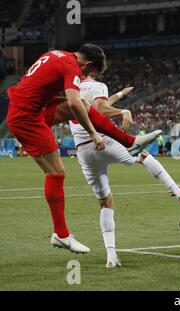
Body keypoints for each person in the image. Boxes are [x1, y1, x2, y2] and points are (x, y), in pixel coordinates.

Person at [6, 44, 158, 254]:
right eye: (88, 73)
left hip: (29, 107)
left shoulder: (56, 54)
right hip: (27, 117)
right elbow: (73, 102)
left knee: (83, 104)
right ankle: (61, 235)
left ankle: (128, 141)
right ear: (87, 64)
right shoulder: (72, 66)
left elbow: (40, 87)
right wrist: (94, 133)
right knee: (56, 172)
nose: (85, 77)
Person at [70, 73, 180, 267]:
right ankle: (178, 192)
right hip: (103, 141)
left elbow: (99, 103)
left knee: (105, 202)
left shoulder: (71, 90)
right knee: (143, 156)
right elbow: (100, 107)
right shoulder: (97, 85)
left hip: (83, 151)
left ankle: (111, 256)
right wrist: (122, 111)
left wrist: (121, 94)